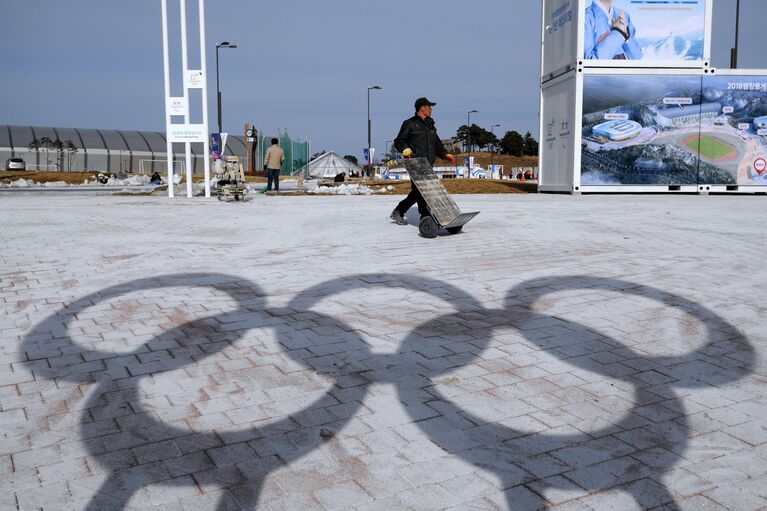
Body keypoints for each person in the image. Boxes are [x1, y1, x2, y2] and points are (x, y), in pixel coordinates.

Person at [389, 97, 454, 225]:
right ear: (422, 108)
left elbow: (437, 144)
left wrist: (445, 154)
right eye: (429, 107)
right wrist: (405, 149)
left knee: (419, 191)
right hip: (415, 163)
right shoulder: (410, 123)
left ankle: (399, 211)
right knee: (422, 191)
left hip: (428, 164)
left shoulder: (431, 126)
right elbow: (399, 141)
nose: (431, 109)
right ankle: (425, 216)